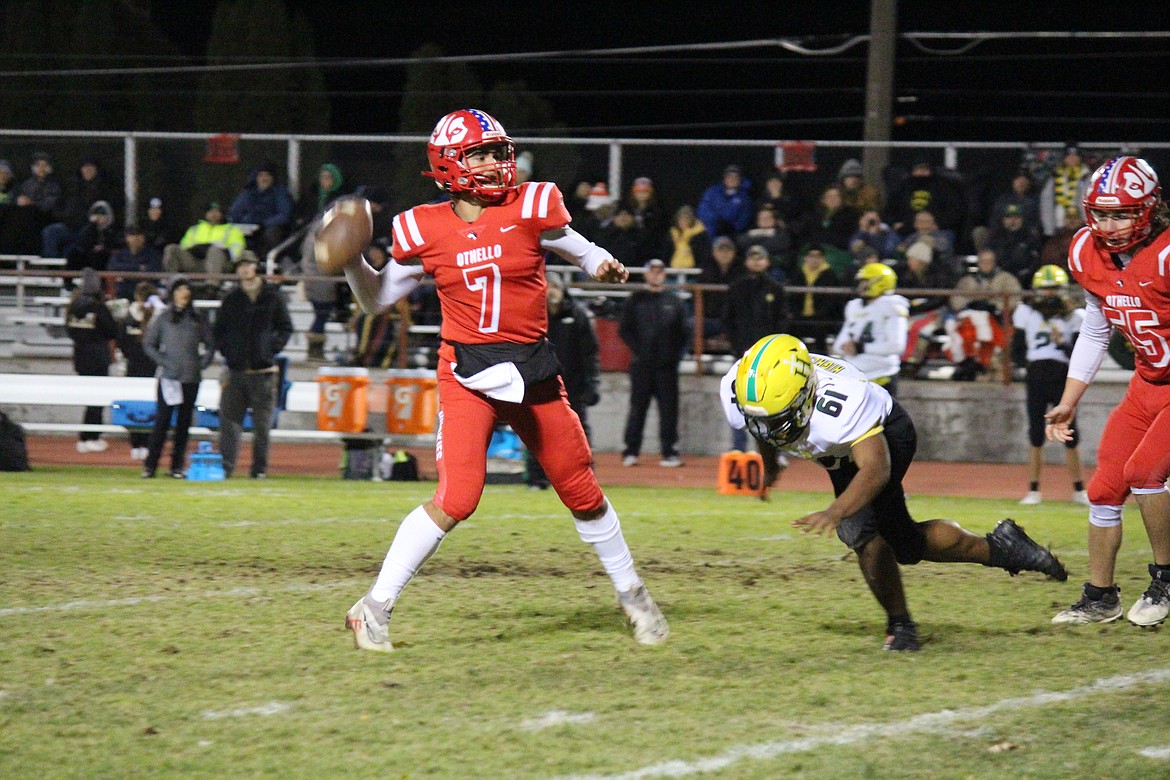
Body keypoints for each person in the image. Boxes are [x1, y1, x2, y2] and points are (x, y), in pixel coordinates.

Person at [336, 108, 668, 650]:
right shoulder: (425, 226)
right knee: (458, 496)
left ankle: (632, 593)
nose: (494, 163)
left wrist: (603, 263)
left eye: (497, 152)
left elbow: (582, 250)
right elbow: (375, 300)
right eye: (480, 154)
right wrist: (352, 262)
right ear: (449, 164)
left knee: (581, 489)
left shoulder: (530, 206)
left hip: (531, 368)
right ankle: (373, 607)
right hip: (467, 372)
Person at [720, 334, 1068, 651]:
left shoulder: (843, 405)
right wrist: (771, 466)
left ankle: (901, 626)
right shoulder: (745, 389)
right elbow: (761, 427)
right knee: (905, 544)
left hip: (886, 437)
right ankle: (1003, 547)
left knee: (863, 532)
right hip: (839, 454)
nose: (768, 425)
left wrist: (836, 511)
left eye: (778, 416)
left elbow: (875, 469)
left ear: (807, 394)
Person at [1047, 155, 1170, 627]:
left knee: (1145, 473)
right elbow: (1096, 332)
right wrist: (1068, 400)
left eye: (1121, 213)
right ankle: (1100, 597)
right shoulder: (1085, 251)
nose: (1109, 224)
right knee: (1103, 490)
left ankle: (1165, 577)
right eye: (1102, 213)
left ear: (1149, 209)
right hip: (1146, 385)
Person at [213, 251, 293, 480]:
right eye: (241, 266)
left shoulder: (273, 297)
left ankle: (259, 470)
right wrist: (230, 353)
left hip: (264, 373)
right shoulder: (231, 299)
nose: (244, 270)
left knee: (262, 427)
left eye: (248, 264)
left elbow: (285, 328)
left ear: (255, 267)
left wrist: (269, 350)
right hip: (236, 371)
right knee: (229, 424)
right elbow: (219, 331)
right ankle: (226, 468)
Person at [1012, 265, 1087, 507]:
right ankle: (1033, 490)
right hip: (1036, 373)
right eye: (1045, 290)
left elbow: (1080, 353)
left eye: (1053, 289)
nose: (1049, 294)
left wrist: (1062, 343)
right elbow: (1017, 349)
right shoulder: (1026, 312)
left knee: (1070, 433)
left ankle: (1078, 489)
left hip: (1062, 374)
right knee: (1035, 434)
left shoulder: (1075, 316)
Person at [525, 276, 601, 490]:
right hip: (541, 383)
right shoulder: (534, 315)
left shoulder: (578, 315)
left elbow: (590, 352)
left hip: (572, 385)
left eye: (556, 287)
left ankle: (586, 477)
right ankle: (536, 478)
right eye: (548, 287)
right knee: (536, 430)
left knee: (578, 432)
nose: (552, 292)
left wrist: (592, 382)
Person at [723, 245, 789, 486]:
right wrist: (736, 348)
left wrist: (774, 349)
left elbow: (783, 321)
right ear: (747, 261)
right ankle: (739, 450)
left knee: (773, 407)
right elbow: (727, 320)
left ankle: (775, 453)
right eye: (753, 257)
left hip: (769, 359)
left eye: (761, 258)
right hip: (743, 357)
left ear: (767, 261)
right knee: (740, 404)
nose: (757, 262)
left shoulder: (776, 289)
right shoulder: (737, 289)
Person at [141, 276, 215, 478]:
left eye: (186, 289)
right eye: (179, 289)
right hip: (169, 378)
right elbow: (149, 344)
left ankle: (176, 466)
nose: (184, 293)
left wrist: (203, 362)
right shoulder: (163, 318)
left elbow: (210, 344)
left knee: (184, 424)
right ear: (173, 293)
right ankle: (150, 465)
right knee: (162, 422)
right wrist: (164, 362)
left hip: (191, 378)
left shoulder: (199, 319)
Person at [620, 258, 689, 467]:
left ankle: (669, 451)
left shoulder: (675, 301)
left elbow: (684, 333)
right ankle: (631, 451)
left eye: (660, 271)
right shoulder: (635, 300)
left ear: (665, 274)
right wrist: (639, 351)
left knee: (669, 410)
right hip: (642, 366)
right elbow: (625, 329)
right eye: (653, 271)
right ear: (646, 274)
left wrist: (674, 357)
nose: (657, 274)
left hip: (667, 368)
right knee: (637, 409)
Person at [832, 262, 909, 396]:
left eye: (865, 281)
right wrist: (846, 347)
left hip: (881, 377)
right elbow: (838, 345)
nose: (861, 286)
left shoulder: (892, 306)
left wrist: (861, 348)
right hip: (854, 379)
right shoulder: (854, 306)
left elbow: (896, 346)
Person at [946, 248, 1022, 381]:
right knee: (965, 329)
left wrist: (995, 306)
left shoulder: (1006, 279)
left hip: (998, 320)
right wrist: (969, 304)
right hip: (972, 321)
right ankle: (971, 365)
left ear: (995, 262)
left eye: (989, 261)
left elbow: (1015, 299)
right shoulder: (968, 280)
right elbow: (956, 299)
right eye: (983, 261)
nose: (986, 264)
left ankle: (987, 366)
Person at [65, 267, 119, 453]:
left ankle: (87, 436)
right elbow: (113, 331)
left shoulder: (73, 306)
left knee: (89, 399)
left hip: (80, 356)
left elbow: (69, 331)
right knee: (96, 400)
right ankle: (90, 436)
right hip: (97, 357)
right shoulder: (98, 307)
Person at [43, 156, 119, 259]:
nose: (87, 170)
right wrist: (66, 215)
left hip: (90, 230)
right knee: (50, 231)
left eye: (90, 167)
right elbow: (59, 205)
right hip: (70, 226)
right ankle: (51, 268)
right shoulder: (72, 185)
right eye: (84, 167)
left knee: (70, 250)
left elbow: (108, 211)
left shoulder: (106, 188)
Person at [116, 281, 160, 461]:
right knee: (150, 406)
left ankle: (136, 444)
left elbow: (121, 341)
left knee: (135, 406)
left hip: (135, 366)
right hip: (150, 366)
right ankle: (146, 443)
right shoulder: (158, 317)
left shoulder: (129, 317)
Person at [163, 201, 246, 284]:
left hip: (219, 265)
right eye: (211, 211)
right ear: (206, 213)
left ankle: (211, 286)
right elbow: (184, 246)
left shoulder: (231, 230)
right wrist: (197, 249)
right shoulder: (194, 229)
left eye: (217, 211)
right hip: (196, 262)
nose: (214, 214)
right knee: (171, 248)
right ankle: (173, 283)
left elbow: (237, 251)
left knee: (214, 251)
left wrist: (219, 249)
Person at [786, 243, 844, 354]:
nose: (814, 259)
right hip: (799, 317)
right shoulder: (798, 274)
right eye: (811, 256)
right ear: (805, 258)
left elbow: (832, 302)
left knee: (821, 329)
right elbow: (792, 299)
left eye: (818, 256)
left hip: (822, 317)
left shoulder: (830, 275)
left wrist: (821, 313)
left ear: (823, 258)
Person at [227, 161, 294, 256]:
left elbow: (284, 215)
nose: (264, 178)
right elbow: (234, 211)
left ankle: (267, 261)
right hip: (249, 228)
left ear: (272, 178)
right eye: (261, 175)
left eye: (267, 175)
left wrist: (263, 224)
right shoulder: (248, 192)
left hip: (268, 228)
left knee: (272, 233)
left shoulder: (280, 192)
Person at [1039, 144, 1090, 238]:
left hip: (1083, 226)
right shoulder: (1055, 176)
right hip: (1059, 226)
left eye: (1075, 156)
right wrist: (1049, 229)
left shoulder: (1088, 176)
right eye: (1069, 156)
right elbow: (1047, 202)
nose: (1072, 159)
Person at [984, 204, 1042, 286]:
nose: (1013, 220)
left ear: (1022, 219)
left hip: (1024, 281)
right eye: (1009, 217)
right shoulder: (994, 238)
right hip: (998, 281)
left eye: (1017, 217)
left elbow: (1035, 264)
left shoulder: (1030, 238)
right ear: (1003, 219)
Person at [696, 164, 753, 239]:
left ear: (740, 180)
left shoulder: (744, 198)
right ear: (724, 178)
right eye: (729, 176)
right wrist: (717, 221)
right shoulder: (712, 192)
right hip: (710, 232)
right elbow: (703, 210)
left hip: (731, 234)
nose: (732, 179)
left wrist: (732, 227)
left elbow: (745, 217)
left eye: (736, 177)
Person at [64, 200, 118, 278]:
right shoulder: (89, 228)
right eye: (96, 214)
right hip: (89, 257)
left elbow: (114, 244)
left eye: (102, 214)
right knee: (73, 254)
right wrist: (92, 225)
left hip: (104, 258)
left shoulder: (112, 230)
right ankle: (68, 284)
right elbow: (83, 242)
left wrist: (103, 248)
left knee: (99, 256)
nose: (99, 217)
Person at [107, 225, 163, 300]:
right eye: (132, 235)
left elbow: (154, 270)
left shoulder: (152, 253)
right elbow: (112, 267)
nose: (136, 238)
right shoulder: (120, 254)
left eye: (139, 235)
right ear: (127, 238)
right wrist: (139, 267)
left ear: (143, 238)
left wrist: (125, 276)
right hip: (124, 292)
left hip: (145, 292)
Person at [664, 203, 711, 272]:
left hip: (694, 272)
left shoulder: (700, 235)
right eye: (681, 219)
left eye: (687, 219)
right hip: (672, 273)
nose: (683, 222)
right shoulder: (671, 234)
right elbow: (666, 254)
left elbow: (704, 254)